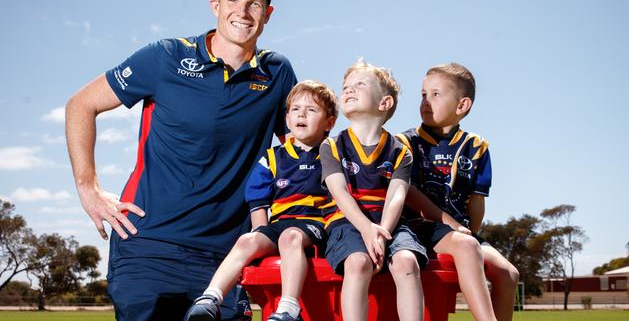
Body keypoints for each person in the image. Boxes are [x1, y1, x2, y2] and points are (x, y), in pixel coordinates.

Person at [65, 0, 297, 320]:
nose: (242, 12)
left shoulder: (277, 73)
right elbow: (82, 104)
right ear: (214, 6)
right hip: (149, 246)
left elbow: (303, 148)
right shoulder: (167, 57)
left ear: (268, 14)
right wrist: (87, 188)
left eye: (253, 4)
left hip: (225, 258)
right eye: (232, 0)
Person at [184, 81, 338, 321]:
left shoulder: (333, 155)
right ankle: (210, 299)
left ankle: (288, 308)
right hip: (278, 224)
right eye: (296, 109)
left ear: (330, 122)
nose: (302, 114)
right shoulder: (272, 158)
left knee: (291, 237)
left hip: (314, 224)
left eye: (311, 110)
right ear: (287, 119)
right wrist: (259, 233)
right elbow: (258, 200)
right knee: (247, 240)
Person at [398, 63, 520, 321]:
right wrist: (460, 236)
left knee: (508, 273)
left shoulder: (477, 146)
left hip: (459, 233)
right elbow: (405, 192)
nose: (426, 101)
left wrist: (471, 235)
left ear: (462, 105)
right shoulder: (405, 142)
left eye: (436, 94)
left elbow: (477, 202)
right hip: (420, 227)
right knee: (465, 245)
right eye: (423, 94)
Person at [319, 59, 428, 321]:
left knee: (406, 262)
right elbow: (340, 193)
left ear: (385, 103)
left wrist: (382, 233)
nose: (348, 90)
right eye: (345, 86)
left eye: (359, 84)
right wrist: (366, 229)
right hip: (347, 222)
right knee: (358, 263)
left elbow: (397, 196)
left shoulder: (400, 151)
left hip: (388, 224)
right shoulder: (331, 146)